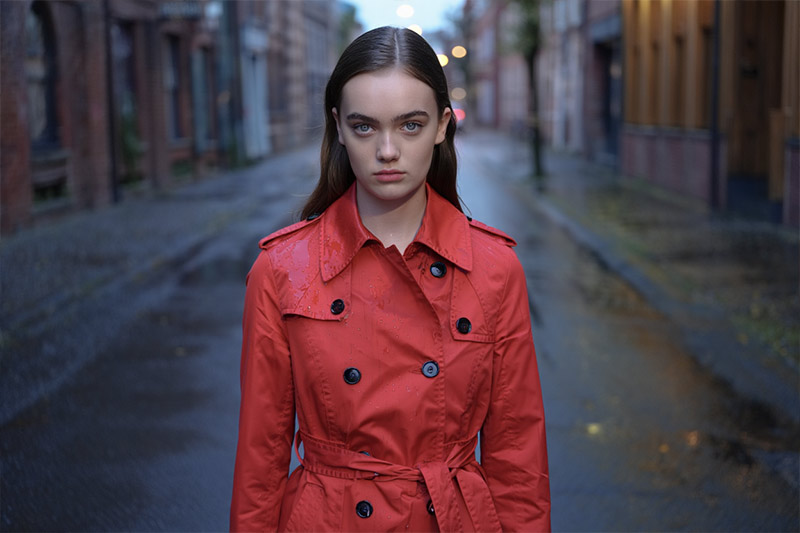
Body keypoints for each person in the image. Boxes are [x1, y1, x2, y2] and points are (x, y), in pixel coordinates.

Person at [230, 26, 550, 532]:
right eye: (364, 127)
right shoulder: (281, 270)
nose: (386, 151)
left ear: (442, 126)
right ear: (337, 126)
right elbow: (260, 460)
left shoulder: (494, 269)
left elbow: (518, 458)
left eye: (410, 125)